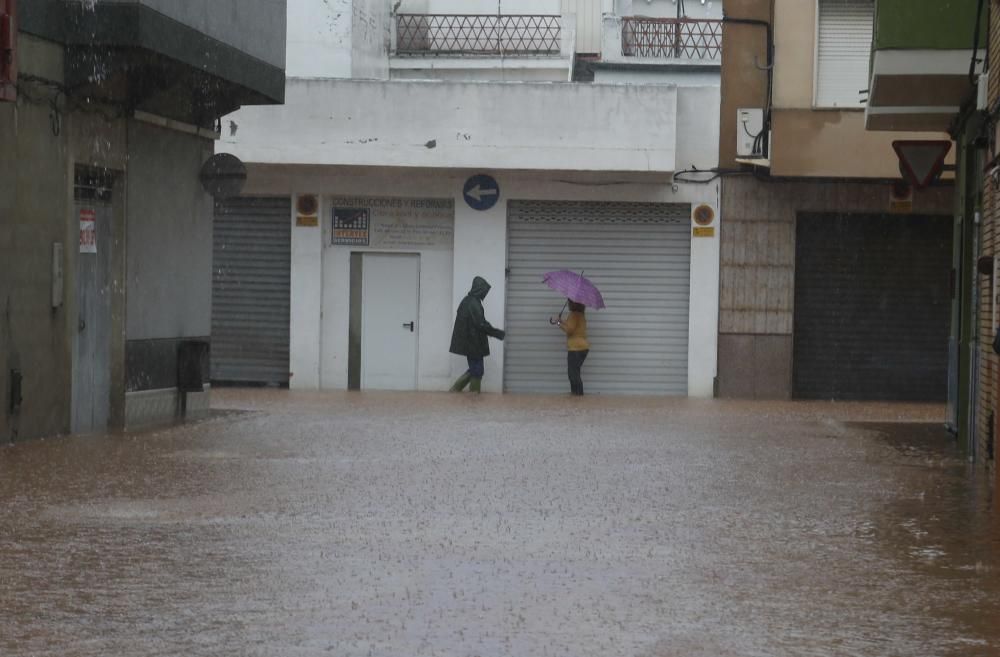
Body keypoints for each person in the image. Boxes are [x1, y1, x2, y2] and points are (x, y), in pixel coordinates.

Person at [449, 276, 506, 393]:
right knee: (477, 370)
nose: (485, 294)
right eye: (484, 291)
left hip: (470, 342)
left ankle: (457, 391)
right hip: (473, 343)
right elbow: (481, 324)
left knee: (476, 369)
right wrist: (497, 333)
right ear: (479, 289)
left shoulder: (467, 300)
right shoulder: (474, 303)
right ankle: (472, 394)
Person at [551, 300, 590, 396]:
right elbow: (571, 325)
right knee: (574, 373)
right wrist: (561, 321)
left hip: (576, 348)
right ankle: (576, 396)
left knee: (573, 374)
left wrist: (559, 324)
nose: (568, 303)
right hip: (582, 348)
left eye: (570, 302)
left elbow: (569, 330)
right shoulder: (580, 315)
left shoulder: (574, 314)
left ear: (574, 304)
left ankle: (578, 396)